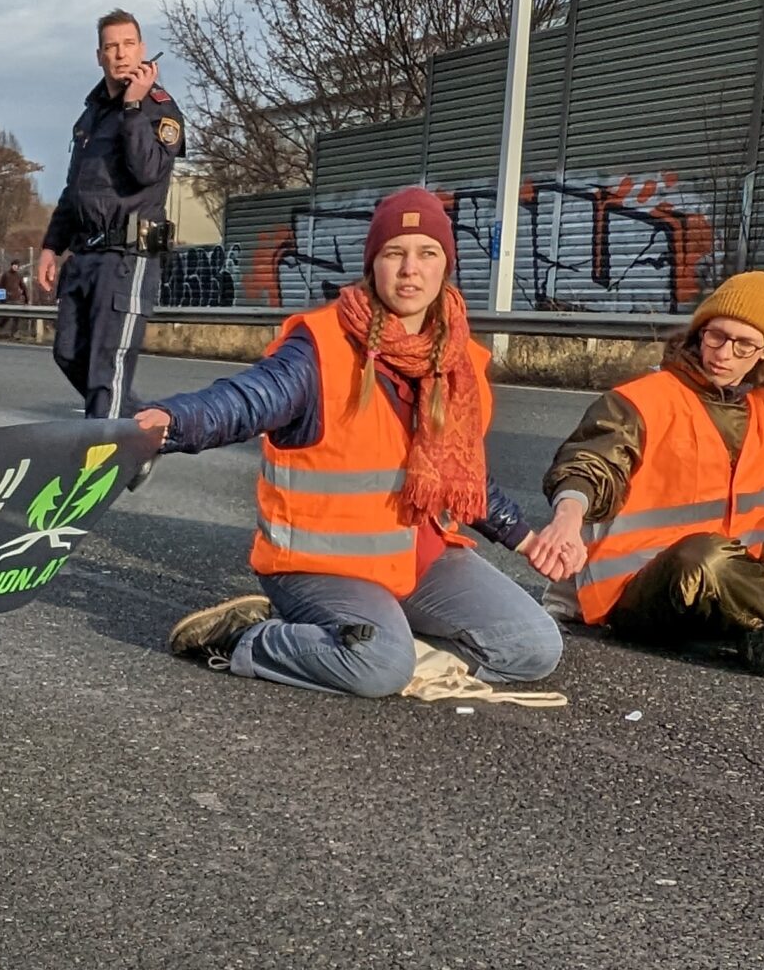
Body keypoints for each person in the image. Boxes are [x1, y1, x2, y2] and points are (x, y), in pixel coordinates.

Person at [136, 188, 573, 698]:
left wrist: (524, 538)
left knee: (533, 647)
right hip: (320, 566)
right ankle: (249, 639)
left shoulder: (458, 362)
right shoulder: (319, 348)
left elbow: (464, 480)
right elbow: (245, 400)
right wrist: (171, 422)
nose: (410, 269)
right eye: (394, 253)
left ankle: (367, 643)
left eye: (427, 253)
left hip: (419, 562)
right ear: (373, 264)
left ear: (444, 267)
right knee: (380, 667)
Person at [516, 271, 764, 675]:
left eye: (745, 344)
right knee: (704, 555)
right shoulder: (642, 400)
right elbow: (592, 462)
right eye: (716, 335)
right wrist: (567, 518)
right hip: (640, 590)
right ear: (699, 333)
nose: (724, 353)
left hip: (741, 576)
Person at [38, 10, 187, 420]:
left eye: (128, 45)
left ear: (141, 50)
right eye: (111, 47)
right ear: (99, 55)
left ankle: (98, 465)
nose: (120, 54)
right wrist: (52, 246)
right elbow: (75, 190)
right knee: (69, 352)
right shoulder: (90, 117)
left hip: (128, 257)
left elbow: (147, 170)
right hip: (85, 256)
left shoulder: (159, 109)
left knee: (108, 373)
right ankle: (142, 433)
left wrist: (134, 107)